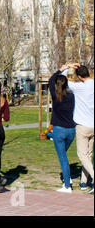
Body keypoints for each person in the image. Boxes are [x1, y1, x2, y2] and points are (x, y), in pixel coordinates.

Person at [62, 64, 94, 194]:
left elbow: (62, 78)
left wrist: (68, 67)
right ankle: (83, 182)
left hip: (82, 126)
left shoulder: (78, 87)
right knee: (88, 155)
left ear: (79, 76)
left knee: (82, 155)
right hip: (93, 125)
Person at [48, 65, 77, 193]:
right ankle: (67, 178)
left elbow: (50, 80)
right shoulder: (72, 96)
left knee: (63, 158)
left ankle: (67, 185)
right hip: (71, 130)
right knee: (63, 154)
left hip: (59, 130)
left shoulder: (55, 95)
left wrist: (62, 68)